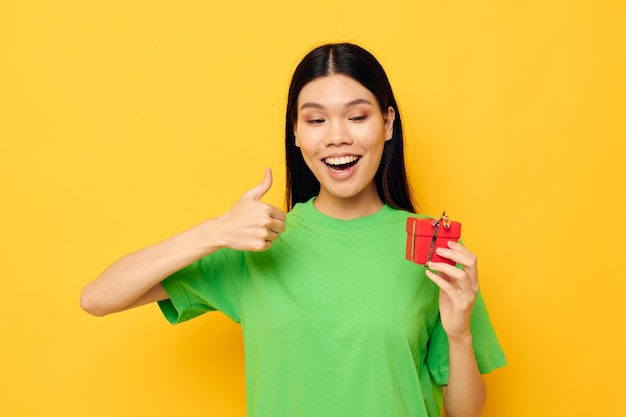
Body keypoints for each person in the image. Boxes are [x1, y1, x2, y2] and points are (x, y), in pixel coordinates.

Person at [81, 43, 506, 417]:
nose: (337, 137)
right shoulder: (259, 241)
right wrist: (214, 232)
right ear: (297, 133)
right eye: (316, 120)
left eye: (357, 116)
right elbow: (98, 298)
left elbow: (465, 413)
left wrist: (459, 333)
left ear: (388, 123)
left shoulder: (432, 246)